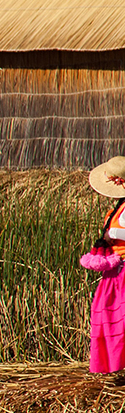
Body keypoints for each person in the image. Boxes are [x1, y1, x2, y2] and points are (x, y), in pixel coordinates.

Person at [83, 157, 125, 374]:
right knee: (107, 317)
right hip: (114, 272)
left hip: (123, 274)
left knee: (119, 320)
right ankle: (113, 366)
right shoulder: (119, 209)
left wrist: (112, 234)